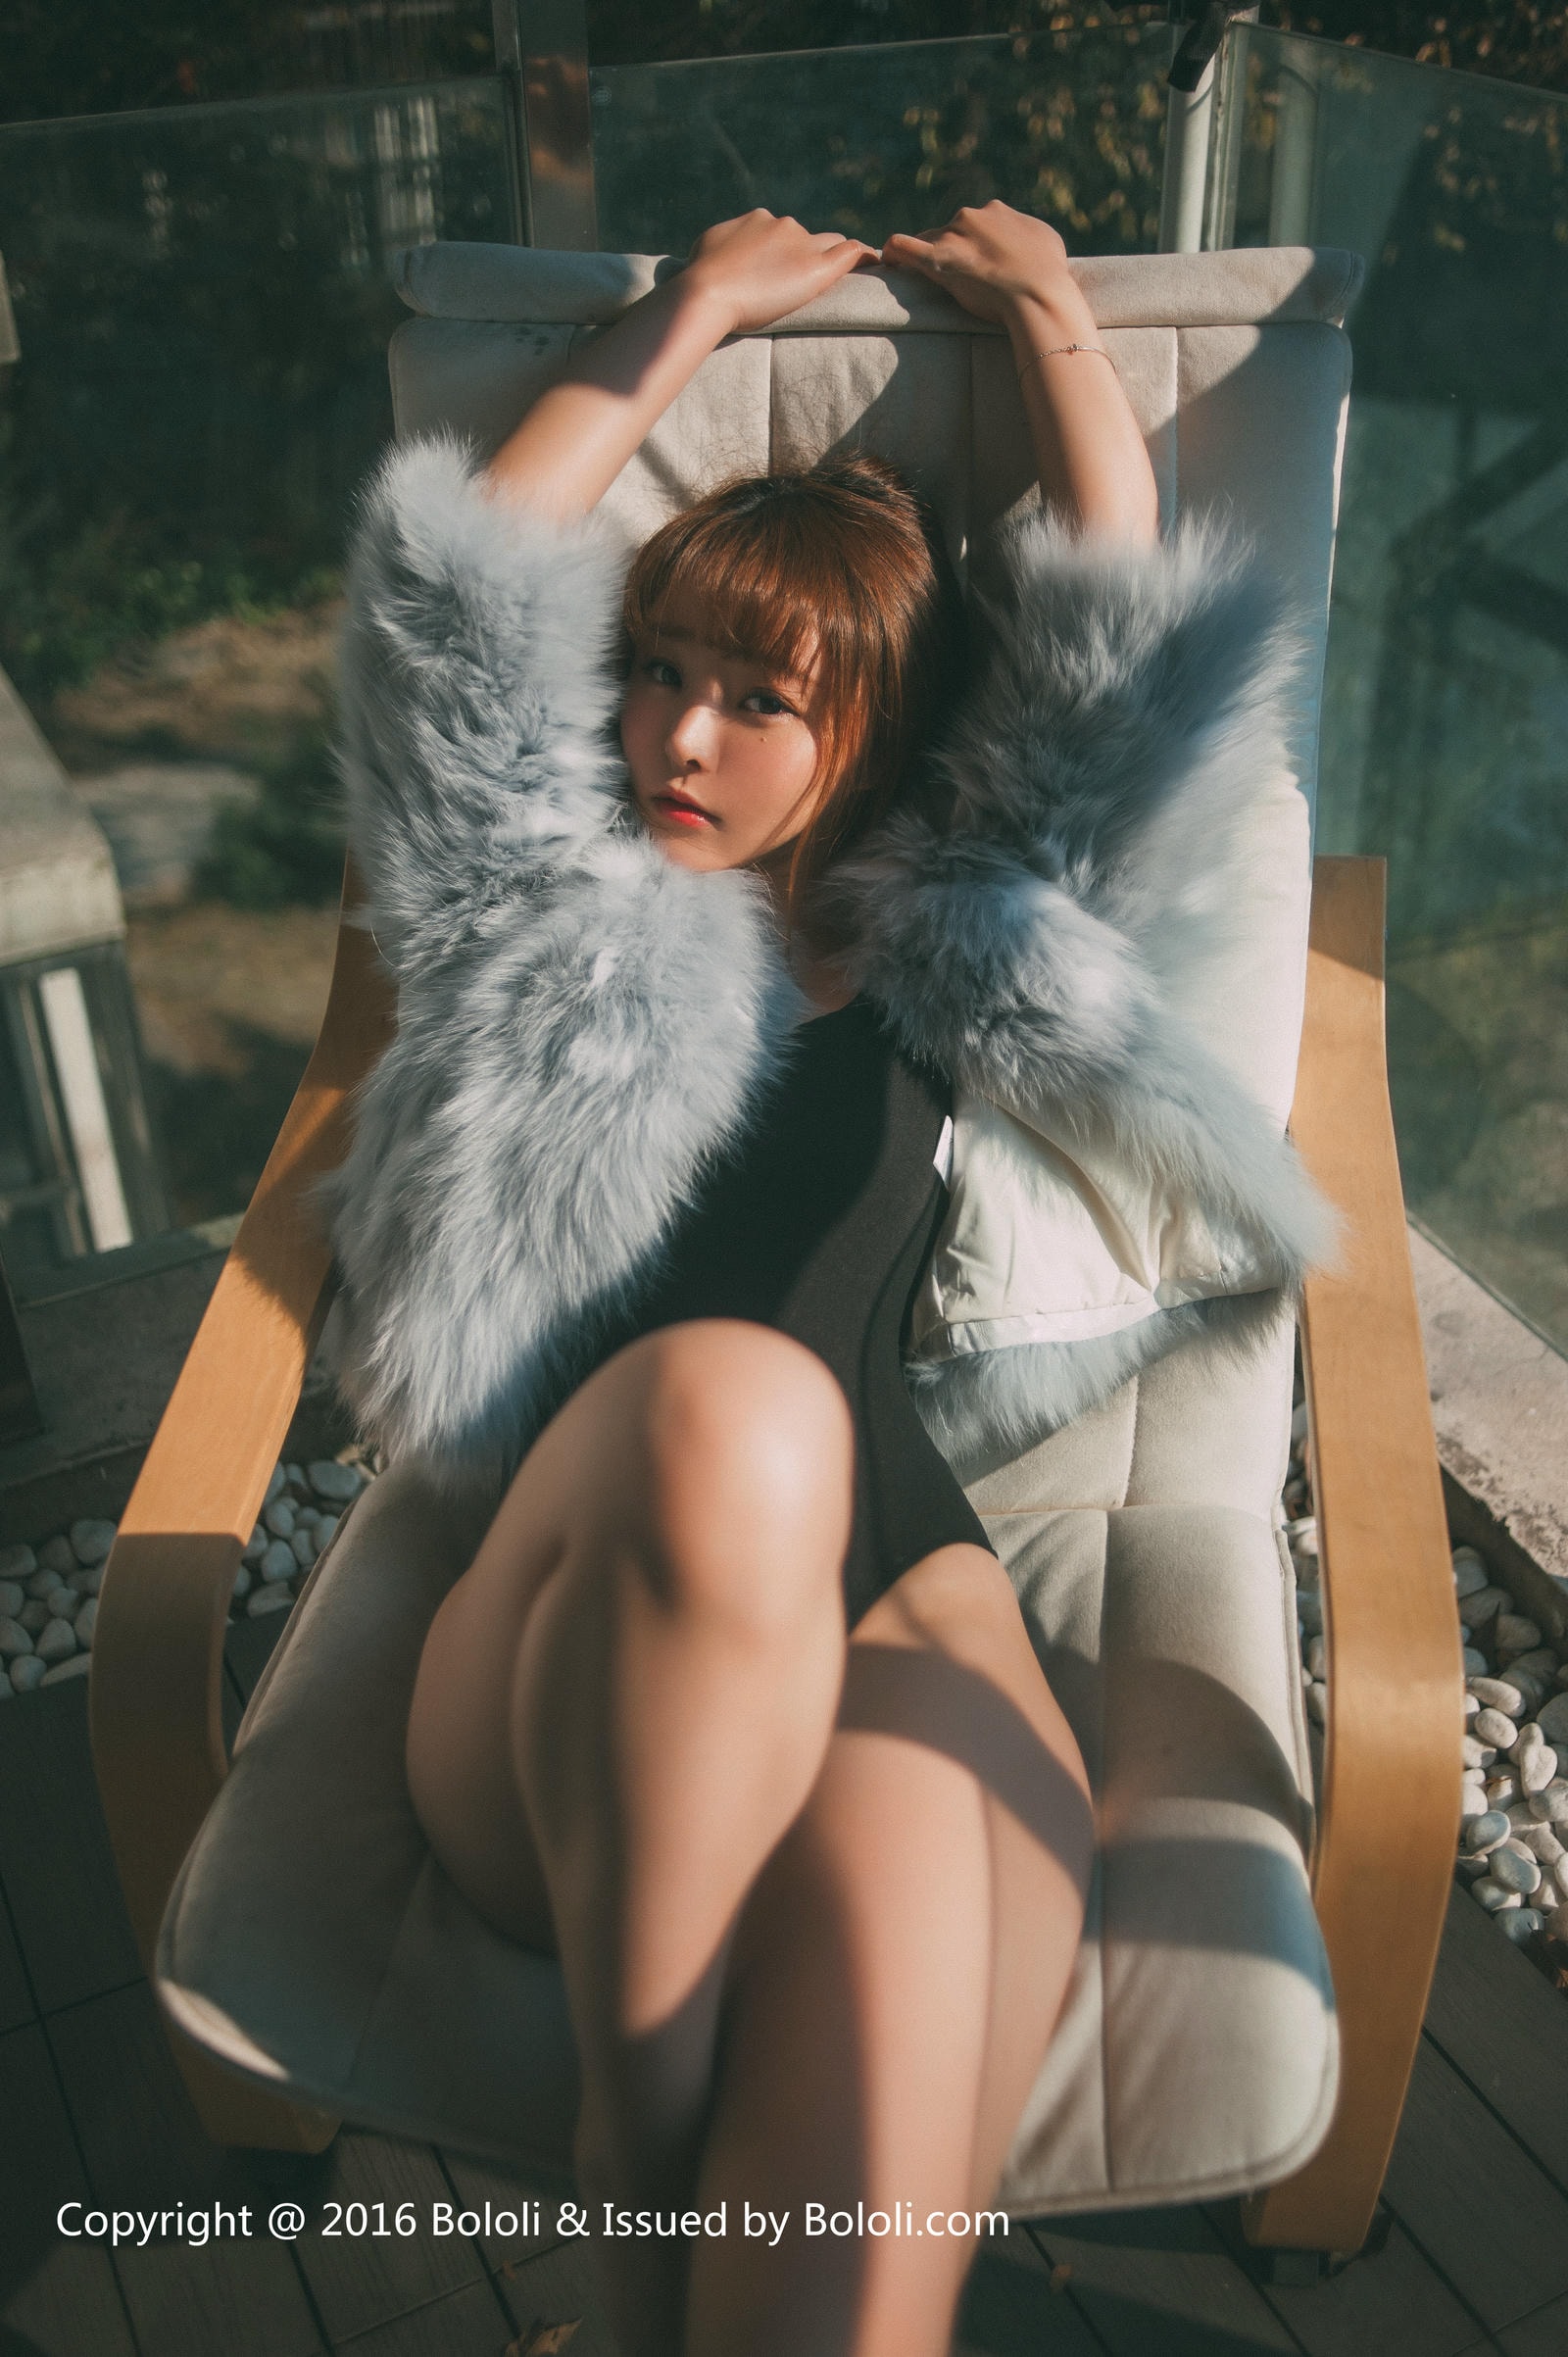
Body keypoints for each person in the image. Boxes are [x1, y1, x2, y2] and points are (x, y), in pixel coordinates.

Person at [328, 200, 1316, 2357]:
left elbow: (1120, 656)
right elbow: (451, 606)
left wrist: (1052, 321)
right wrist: (684, 314)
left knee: (844, 2294)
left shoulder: (951, 937)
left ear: (867, 734)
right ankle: (631, 2153)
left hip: (920, 1625)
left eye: (756, 699)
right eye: (659, 675)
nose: (679, 739)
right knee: (736, 1401)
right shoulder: (541, 905)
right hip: (569, 1674)